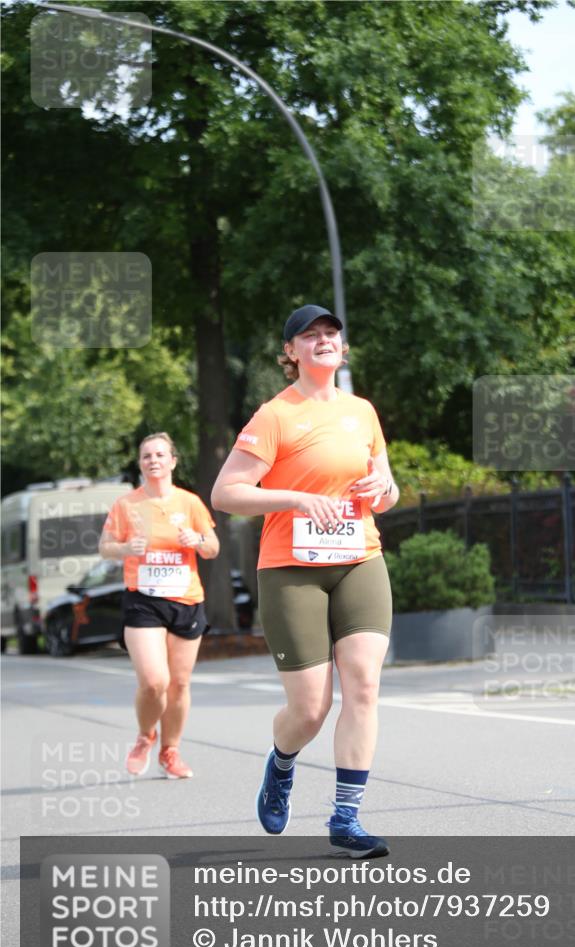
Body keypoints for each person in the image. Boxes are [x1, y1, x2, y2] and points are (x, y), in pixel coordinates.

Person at [211, 304, 399, 858]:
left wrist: (382, 491)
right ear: (290, 353)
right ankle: (282, 763)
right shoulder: (275, 415)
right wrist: (295, 498)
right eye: (309, 335)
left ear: (342, 349)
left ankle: (346, 818)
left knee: (363, 684)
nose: (323, 340)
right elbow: (226, 494)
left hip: (358, 557)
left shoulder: (363, 411)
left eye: (331, 333)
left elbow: (386, 492)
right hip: (291, 569)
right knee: (310, 709)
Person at [100, 432, 219, 779]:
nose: (153, 460)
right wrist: (125, 549)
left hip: (186, 599)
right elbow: (105, 546)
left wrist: (196, 540)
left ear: (172, 461)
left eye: (159, 454)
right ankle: (145, 735)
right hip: (144, 600)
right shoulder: (127, 505)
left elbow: (213, 547)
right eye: (146, 456)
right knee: (154, 681)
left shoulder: (190, 502)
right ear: (140, 464)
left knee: (179, 684)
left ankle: (171, 751)